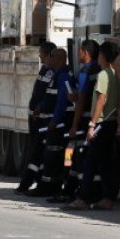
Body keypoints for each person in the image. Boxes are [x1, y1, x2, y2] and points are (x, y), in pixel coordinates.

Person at [67, 41, 120, 211]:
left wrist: (92, 124)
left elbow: (100, 100)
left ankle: (82, 198)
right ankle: (107, 198)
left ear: (102, 56)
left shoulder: (103, 75)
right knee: (105, 163)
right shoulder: (115, 75)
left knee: (89, 161)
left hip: (101, 124)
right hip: (111, 123)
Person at [54, 39, 101, 204]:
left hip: (83, 120)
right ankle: (77, 189)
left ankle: (78, 190)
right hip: (96, 120)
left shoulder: (85, 71)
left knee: (75, 154)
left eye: (80, 51)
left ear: (85, 53)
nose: (78, 54)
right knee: (86, 155)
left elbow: (80, 100)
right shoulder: (99, 69)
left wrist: (74, 125)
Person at [15, 41, 57, 196]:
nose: (39, 55)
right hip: (36, 117)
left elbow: (47, 95)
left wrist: (39, 109)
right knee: (36, 150)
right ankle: (36, 182)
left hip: (42, 119)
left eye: (41, 53)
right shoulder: (45, 70)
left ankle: (27, 184)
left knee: (37, 152)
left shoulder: (51, 73)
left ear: (47, 54)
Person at [42, 48, 76, 200]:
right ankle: (58, 187)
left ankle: (60, 187)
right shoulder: (57, 76)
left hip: (62, 126)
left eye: (52, 56)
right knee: (60, 156)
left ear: (60, 59)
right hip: (61, 125)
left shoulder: (63, 77)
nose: (49, 59)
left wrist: (54, 121)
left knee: (63, 157)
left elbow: (62, 102)